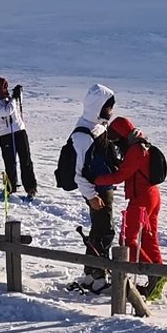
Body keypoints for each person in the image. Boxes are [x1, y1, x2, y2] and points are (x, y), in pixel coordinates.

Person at [90, 115, 164, 297]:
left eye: (115, 139)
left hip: (141, 200)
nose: (115, 144)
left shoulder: (135, 149)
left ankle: (153, 275)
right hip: (152, 195)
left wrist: (96, 180)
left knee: (127, 241)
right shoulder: (140, 142)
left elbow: (120, 176)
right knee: (149, 238)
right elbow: (132, 169)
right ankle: (161, 274)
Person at [67, 84, 118, 290]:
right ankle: (99, 277)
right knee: (105, 232)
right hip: (96, 191)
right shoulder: (82, 135)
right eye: (109, 107)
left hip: (104, 188)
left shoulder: (97, 126)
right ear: (99, 107)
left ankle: (90, 274)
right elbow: (77, 173)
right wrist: (90, 196)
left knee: (98, 231)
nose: (111, 111)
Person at [0, 76, 38, 199]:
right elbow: (7, 111)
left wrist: (18, 94)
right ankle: (10, 189)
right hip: (6, 135)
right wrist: (14, 99)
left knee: (26, 161)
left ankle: (31, 188)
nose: (6, 89)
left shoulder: (9, 98)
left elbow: (16, 104)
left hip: (19, 131)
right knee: (10, 163)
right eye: (3, 87)